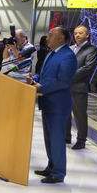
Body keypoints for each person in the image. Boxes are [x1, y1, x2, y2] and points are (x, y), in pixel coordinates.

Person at [28, 26, 78, 184]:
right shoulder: (53, 54)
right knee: (49, 138)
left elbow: (62, 81)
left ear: (61, 38)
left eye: (50, 35)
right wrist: (33, 77)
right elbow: (43, 75)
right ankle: (51, 166)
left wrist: (41, 87)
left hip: (58, 104)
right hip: (48, 102)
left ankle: (58, 172)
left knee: (56, 139)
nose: (47, 38)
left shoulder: (67, 56)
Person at [66, 25, 97, 150]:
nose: (77, 35)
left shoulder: (91, 49)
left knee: (79, 115)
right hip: (66, 87)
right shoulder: (70, 48)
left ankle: (81, 140)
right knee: (65, 113)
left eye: (80, 33)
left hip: (78, 87)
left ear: (87, 35)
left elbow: (87, 68)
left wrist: (69, 77)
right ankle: (66, 136)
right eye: (75, 33)